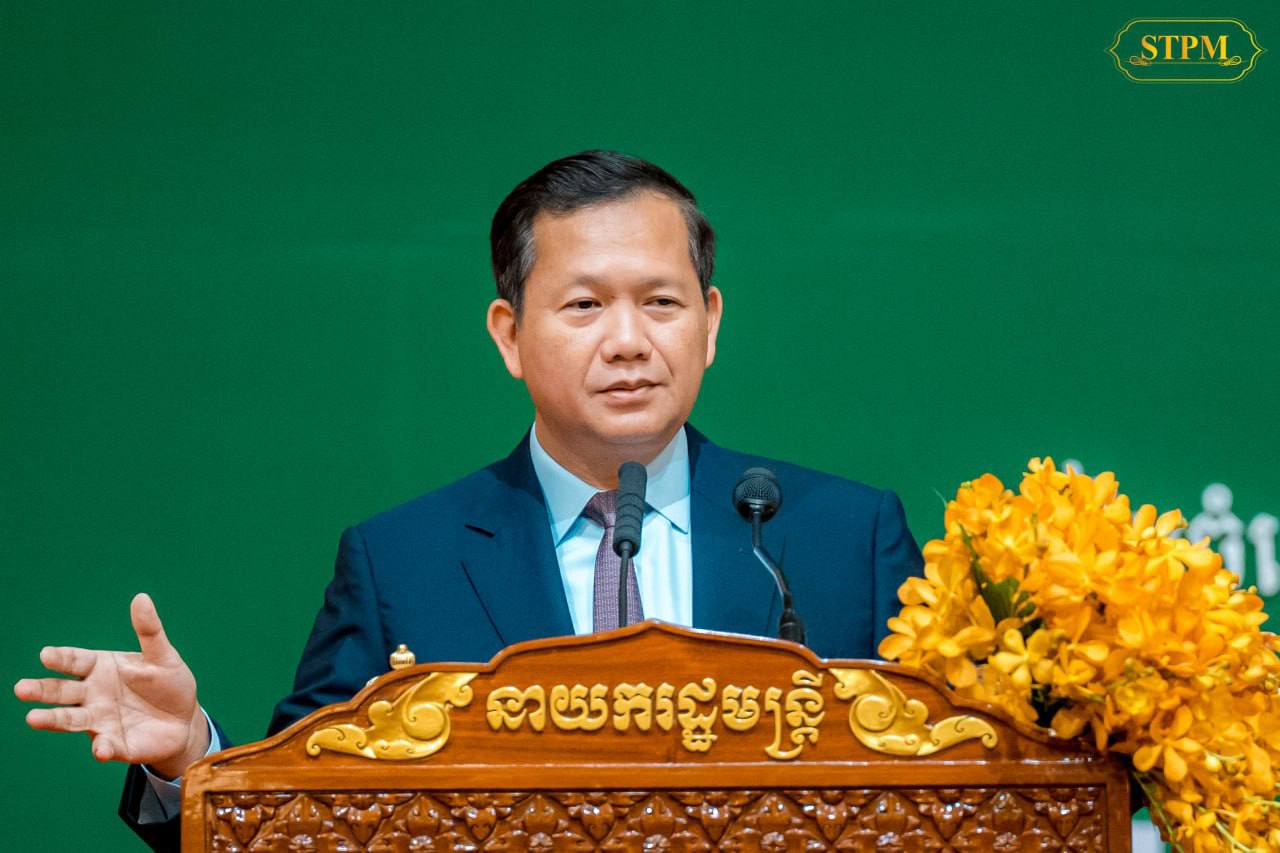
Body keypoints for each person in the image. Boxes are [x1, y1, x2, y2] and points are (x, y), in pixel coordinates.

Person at [14, 150, 922, 852]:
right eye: (584, 306)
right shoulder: (400, 563)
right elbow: (303, 816)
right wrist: (191, 757)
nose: (628, 340)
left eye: (661, 302)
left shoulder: (845, 536)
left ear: (710, 323)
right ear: (509, 334)